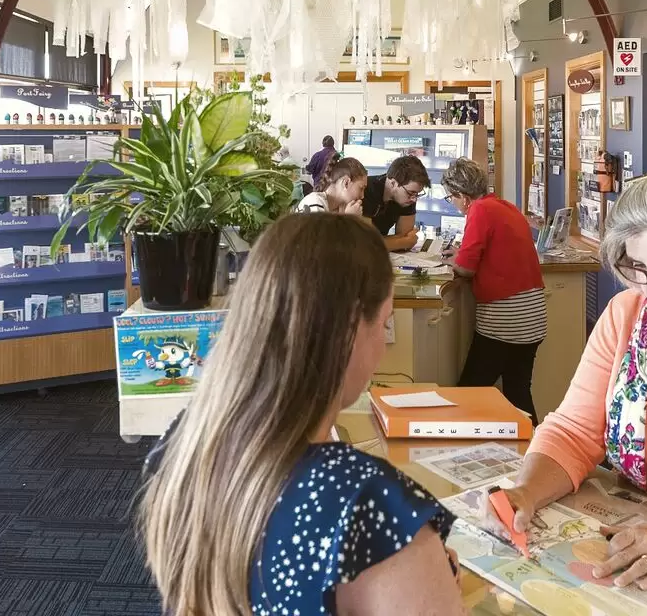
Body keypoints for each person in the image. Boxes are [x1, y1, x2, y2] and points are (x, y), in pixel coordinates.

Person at [140, 214, 463, 615]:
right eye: (384, 323)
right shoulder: (366, 502)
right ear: (348, 328)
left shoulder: (184, 441)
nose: (382, 345)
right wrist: (424, 570)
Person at [486, 168, 647, 591]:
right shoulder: (628, 315)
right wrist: (525, 492)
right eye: (639, 268)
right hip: (645, 538)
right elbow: (575, 432)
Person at [441, 158, 546, 424]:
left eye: (450, 198)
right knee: (517, 391)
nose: (452, 204)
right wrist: (461, 255)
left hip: (505, 317)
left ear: (463, 197)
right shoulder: (504, 206)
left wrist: (451, 260)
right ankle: (534, 450)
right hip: (532, 313)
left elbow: (465, 269)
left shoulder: (479, 211)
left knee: (470, 391)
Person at [362, 155, 430, 252]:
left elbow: (407, 239)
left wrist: (399, 242)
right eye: (411, 193)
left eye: (417, 194)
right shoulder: (365, 190)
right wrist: (402, 241)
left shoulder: (407, 197)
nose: (414, 199)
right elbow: (366, 244)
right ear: (393, 183)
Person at [295, 156, 368, 216]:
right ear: (346, 183)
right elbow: (320, 234)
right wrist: (349, 219)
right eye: (361, 188)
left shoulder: (339, 209)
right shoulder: (315, 202)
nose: (362, 196)